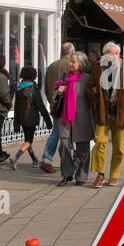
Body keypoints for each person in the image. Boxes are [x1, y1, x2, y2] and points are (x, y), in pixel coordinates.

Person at [87, 41, 124, 187]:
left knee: (118, 147)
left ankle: (114, 175)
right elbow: (89, 88)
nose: (114, 56)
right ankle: (100, 174)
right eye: (111, 54)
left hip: (120, 113)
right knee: (99, 141)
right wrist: (95, 99)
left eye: (116, 53)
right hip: (103, 112)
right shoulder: (97, 67)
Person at [54, 53, 94, 186]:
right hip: (65, 119)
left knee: (83, 149)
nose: (70, 64)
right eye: (71, 62)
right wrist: (59, 91)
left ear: (81, 64)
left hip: (82, 119)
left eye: (74, 62)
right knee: (64, 146)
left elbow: (93, 99)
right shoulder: (64, 77)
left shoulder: (88, 79)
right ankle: (67, 174)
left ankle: (81, 175)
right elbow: (55, 95)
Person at [38, 42, 74, 174]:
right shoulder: (72, 66)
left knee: (57, 132)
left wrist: (51, 100)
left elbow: (46, 85)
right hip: (67, 105)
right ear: (71, 52)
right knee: (65, 134)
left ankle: (47, 159)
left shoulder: (52, 66)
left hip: (55, 104)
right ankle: (50, 159)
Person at [10, 65, 51, 169]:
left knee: (28, 140)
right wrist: (48, 121)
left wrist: (16, 122)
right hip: (31, 118)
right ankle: (15, 158)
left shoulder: (19, 89)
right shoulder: (33, 89)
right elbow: (41, 106)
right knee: (29, 141)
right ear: (33, 76)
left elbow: (16, 107)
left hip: (22, 118)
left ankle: (34, 160)